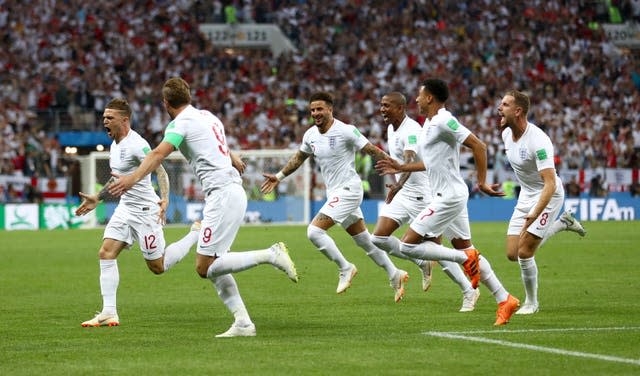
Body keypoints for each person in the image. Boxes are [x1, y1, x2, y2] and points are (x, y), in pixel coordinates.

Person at [108, 78, 298, 338]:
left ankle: (271, 254)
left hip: (222, 195)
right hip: (227, 192)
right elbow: (215, 141)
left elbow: (157, 155)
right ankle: (243, 323)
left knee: (204, 267)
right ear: (189, 96)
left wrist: (131, 178)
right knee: (216, 266)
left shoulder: (180, 124)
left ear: (165, 103)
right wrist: (231, 156)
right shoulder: (207, 116)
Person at [376, 79, 520, 326]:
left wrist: (482, 182)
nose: (417, 100)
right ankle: (504, 298)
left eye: (420, 96)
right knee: (466, 246)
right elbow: (430, 162)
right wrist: (401, 167)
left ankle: (465, 261)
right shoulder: (430, 124)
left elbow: (478, 145)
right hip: (446, 195)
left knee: (409, 246)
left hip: (448, 196)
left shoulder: (444, 119)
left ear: (430, 98)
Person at [261, 91, 409, 302]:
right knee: (364, 241)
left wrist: (399, 168)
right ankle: (395, 274)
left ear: (330, 109)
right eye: (312, 110)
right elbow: (299, 157)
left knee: (314, 232)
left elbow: (371, 149)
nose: (316, 113)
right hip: (335, 192)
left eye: (320, 109)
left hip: (349, 190)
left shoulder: (347, 131)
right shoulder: (310, 134)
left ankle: (345, 268)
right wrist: (279, 176)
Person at [76, 98, 200, 327]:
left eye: (109, 118)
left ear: (124, 120)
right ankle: (109, 312)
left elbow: (160, 170)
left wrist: (165, 199)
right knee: (105, 253)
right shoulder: (114, 145)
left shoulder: (137, 144)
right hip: (125, 209)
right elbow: (117, 181)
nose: (104, 121)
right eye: (104, 117)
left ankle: (194, 234)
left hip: (145, 212)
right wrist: (97, 198)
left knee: (157, 267)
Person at [370, 92, 480, 312]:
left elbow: (410, 157)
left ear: (400, 108)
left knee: (434, 249)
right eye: (381, 105)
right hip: (405, 193)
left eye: (386, 106)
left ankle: (469, 290)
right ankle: (422, 263)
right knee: (379, 238)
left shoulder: (412, 130)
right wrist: (399, 186)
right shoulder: (392, 128)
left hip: (423, 194)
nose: (382, 109)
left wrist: (399, 182)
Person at [497, 90, 586, 315]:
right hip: (527, 194)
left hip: (549, 194)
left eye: (505, 105)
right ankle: (563, 223)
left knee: (525, 252)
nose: (500, 108)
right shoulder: (506, 135)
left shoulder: (539, 141)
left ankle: (531, 302)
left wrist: (536, 212)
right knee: (512, 253)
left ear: (518, 111)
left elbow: (550, 184)